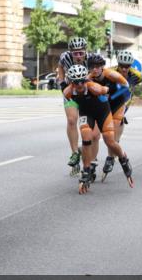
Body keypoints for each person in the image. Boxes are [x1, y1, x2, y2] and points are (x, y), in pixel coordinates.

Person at [62, 64, 134, 193]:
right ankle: (86, 170)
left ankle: (124, 159)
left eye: (82, 81)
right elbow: (74, 105)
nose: (79, 85)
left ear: (86, 80)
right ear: (71, 82)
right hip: (86, 113)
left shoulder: (95, 88)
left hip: (103, 112)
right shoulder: (67, 92)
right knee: (86, 139)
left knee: (110, 141)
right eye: (75, 82)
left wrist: (108, 89)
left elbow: (108, 89)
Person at [87, 53, 132, 182]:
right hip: (102, 106)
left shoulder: (111, 75)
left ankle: (114, 158)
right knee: (94, 135)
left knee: (111, 139)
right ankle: (92, 165)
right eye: (92, 67)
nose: (95, 69)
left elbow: (126, 88)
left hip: (117, 104)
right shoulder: (88, 79)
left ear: (102, 67)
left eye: (98, 66)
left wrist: (111, 96)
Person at [55, 37, 90, 175]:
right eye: (75, 53)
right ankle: (75, 153)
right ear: (71, 53)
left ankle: (87, 150)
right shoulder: (65, 57)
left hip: (87, 92)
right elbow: (60, 67)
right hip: (71, 91)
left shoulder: (91, 59)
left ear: (85, 52)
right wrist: (62, 82)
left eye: (81, 53)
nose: (78, 56)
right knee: (71, 120)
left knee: (88, 125)